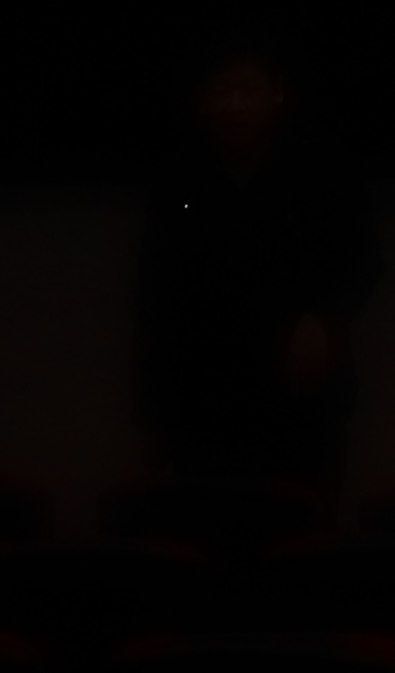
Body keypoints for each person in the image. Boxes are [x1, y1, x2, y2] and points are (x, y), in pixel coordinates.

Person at [127, 37, 372, 498]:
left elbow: (359, 258)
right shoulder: (181, 177)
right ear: (203, 101)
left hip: (300, 397)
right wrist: (152, 418)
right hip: (203, 401)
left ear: (276, 93)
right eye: (222, 91)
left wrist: (323, 316)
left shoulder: (320, 165)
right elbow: (155, 299)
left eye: (249, 89)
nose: (236, 104)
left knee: (300, 516)